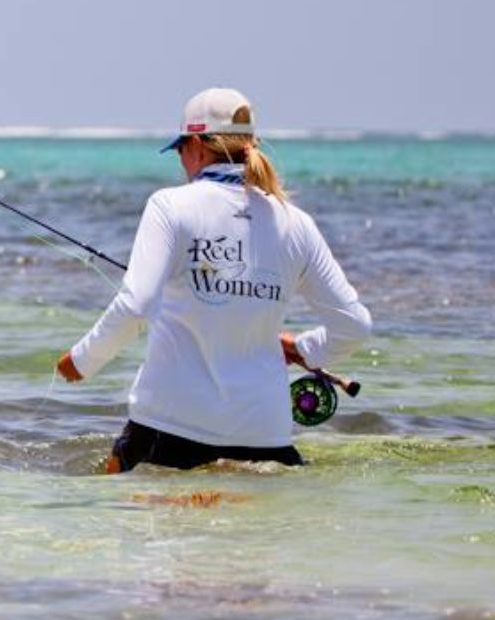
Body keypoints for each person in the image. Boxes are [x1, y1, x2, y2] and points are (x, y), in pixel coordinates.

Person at [55, 87, 371, 473]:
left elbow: (136, 305)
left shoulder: (169, 205)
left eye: (180, 150)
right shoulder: (296, 223)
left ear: (198, 148)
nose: (181, 162)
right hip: (266, 438)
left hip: (168, 430)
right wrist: (304, 349)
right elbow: (354, 325)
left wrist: (82, 361)